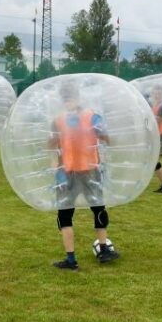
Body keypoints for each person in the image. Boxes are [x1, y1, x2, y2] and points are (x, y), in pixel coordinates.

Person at [49, 81, 120, 270]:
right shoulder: (91, 116)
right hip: (83, 171)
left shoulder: (61, 119)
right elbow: (107, 138)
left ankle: (72, 259)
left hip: (73, 171)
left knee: (69, 214)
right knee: (96, 208)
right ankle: (102, 250)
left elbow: (51, 146)